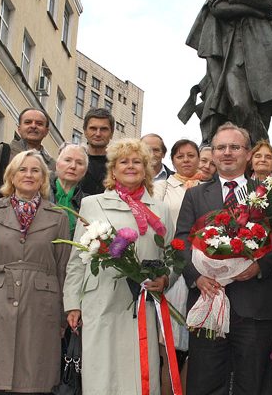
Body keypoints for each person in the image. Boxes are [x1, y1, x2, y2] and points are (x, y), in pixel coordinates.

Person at [176, 122, 272, 394]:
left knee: (253, 382)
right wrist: (196, 278)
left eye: (234, 147)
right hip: (207, 302)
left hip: (254, 304)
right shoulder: (195, 195)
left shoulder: (270, 192)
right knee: (205, 381)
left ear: (249, 153)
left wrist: (259, 265)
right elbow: (181, 240)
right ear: (213, 153)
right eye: (220, 147)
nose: (227, 152)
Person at [63, 138, 175, 395]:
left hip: (141, 304)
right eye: (124, 162)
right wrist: (72, 303)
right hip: (101, 302)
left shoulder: (161, 209)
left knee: (138, 376)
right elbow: (77, 259)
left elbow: (170, 255)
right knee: (102, 375)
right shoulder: (92, 204)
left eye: (137, 162)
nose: (131, 166)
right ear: (113, 170)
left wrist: (166, 279)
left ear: (146, 169)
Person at [0, 150, 70, 394]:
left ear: (44, 178)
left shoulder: (59, 216)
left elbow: (63, 266)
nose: (29, 175)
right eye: (22, 169)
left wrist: (63, 314)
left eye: (35, 170)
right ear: (11, 175)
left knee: (35, 376)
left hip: (42, 305)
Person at [178, 0, 272, 145]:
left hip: (262, 47)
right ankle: (260, 150)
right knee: (237, 101)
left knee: (263, 105)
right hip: (228, 49)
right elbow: (219, 7)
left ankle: (259, 156)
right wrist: (258, 12)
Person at [154, 139, 201, 395]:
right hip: (172, 264)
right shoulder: (162, 187)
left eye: (191, 155)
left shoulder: (208, 187)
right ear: (172, 161)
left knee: (195, 342)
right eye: (180, 156)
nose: (186, 160)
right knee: (168, 340)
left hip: (201, 266)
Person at [0, 108, 55, 217]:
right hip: (1, 227)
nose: (33, 126)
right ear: (19, 128)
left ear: (46, 131)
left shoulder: (53, 165)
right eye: (28, 122)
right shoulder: (1, 153)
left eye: (39, 123)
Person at [50, 143, 89, 238]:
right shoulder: (39, 194)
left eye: (79, 163)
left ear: (85, 170)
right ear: (57, 164)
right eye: (67, 160)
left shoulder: (89, 203)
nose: (73, 166)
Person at [81, 107, 115, 195]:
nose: (98, 134)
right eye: (93, 128)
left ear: (111, 133)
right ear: (85, 131)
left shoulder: (118, 164)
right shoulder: (74, 160)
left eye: (103, 129)